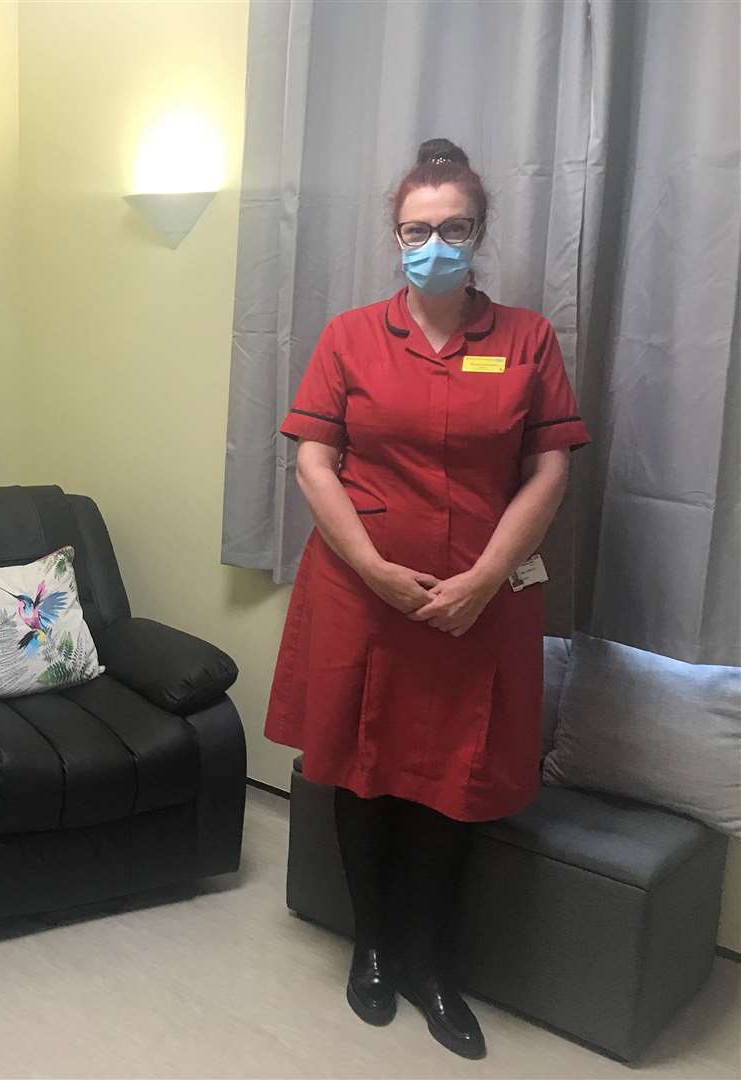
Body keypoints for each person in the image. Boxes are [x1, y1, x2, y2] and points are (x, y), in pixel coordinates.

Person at [264, 139, 590, 1059]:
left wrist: (485, 577)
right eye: (418, 229)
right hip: (364, 596)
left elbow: (549, 469)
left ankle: (436, 966)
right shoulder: (351, 336)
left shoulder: (525, 338)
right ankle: (372, 945)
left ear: (479, 232)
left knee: (457, 783)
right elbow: (313, 461)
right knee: (363, 773)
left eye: (453, 228)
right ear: (395, 236)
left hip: (479, 606)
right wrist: (370, 566)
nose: (434, 243)